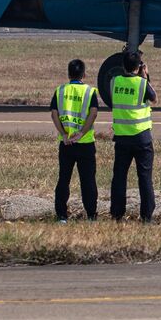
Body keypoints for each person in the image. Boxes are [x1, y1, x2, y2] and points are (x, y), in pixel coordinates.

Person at [109, 50, 157, 222]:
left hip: (122, 138)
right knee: (144, 178)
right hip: (141, 137)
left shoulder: (115, 81)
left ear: (123, 66)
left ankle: (116, 214)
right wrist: (146, 77)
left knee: (119, 177)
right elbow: (154, 98)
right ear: (139, 67)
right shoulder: (142, 84)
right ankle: (147, 216)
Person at [50, 58, 99, 222]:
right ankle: (91, 215)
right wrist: (82, 133)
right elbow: (93, 113)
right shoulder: (90, 92)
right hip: (85, 143)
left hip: (66, 144)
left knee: (64, 179)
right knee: (88, 181)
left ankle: (61, 215)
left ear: (68, 74)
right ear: (84, 74)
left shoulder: (60, 90)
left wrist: (63, 133)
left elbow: (54, 114)